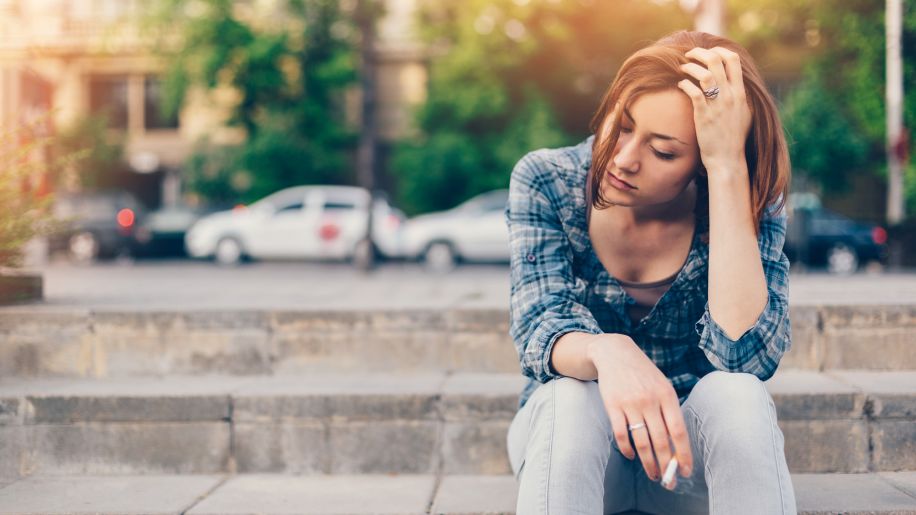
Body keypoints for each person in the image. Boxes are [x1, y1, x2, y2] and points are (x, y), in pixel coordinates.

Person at [505, 30, 796, 514]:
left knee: (739, 394)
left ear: (699, 164)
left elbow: (745, 360)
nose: (623, 159)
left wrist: (727, 171)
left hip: (687, 460)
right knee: (568, 400)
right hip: (580, 452)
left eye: (663, 152)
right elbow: (538, 327)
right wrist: (609, 351)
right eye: (621, 126)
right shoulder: (547, 180)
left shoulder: (747, 196)